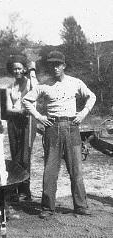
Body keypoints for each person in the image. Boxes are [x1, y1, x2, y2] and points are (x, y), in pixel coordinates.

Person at [22, 50, 96, 218]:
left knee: (76, 169)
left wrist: (83, 113)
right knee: (50, 170)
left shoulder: (75, 82)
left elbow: (91, 97)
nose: (54, 68)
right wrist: (39, 117)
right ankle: (47, 208)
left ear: (64, 66)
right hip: (52, 128)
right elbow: (26, 100)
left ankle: (81, 206)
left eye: (57, 64)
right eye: (51, 65)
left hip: (72, 127)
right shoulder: (45, 85)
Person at [5, 54, 37, 201]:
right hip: (13, 122)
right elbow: (7, 108)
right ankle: (16, 189)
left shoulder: (31, 82)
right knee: (15, 155)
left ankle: (25, 190)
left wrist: (32, 71)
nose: (17, 71)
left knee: (24, 156)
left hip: (28, 121)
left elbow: (37, 91)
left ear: (24, 69)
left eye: (19, 68)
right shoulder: (9, 85)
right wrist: (18, 111)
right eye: (14, 69)